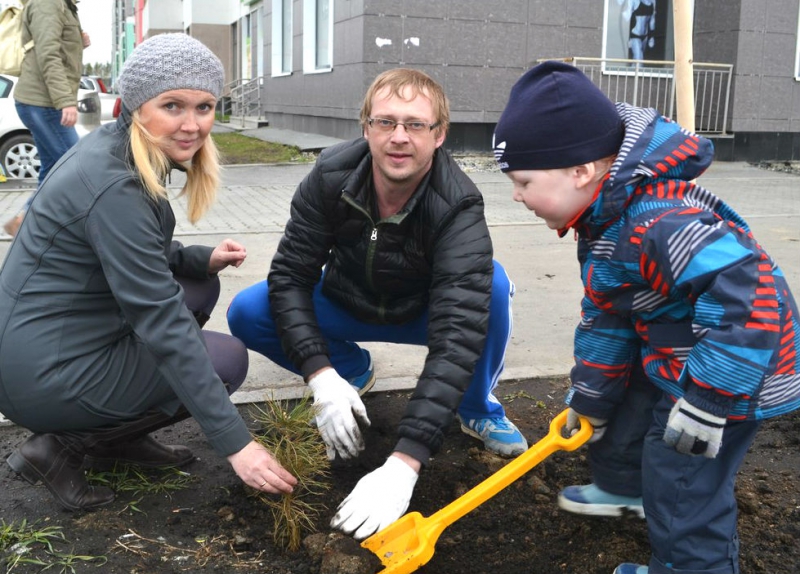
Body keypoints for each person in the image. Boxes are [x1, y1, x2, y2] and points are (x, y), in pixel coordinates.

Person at [492, 60, 800, 574]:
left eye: (523, 181)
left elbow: (751, 299)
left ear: (581, 171)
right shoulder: (601, 219)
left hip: (738, 366)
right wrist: (590, 397)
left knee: (681, 479)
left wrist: (707, 402)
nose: (516, 195)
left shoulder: (662, 222)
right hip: (677, 349)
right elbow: (608, 315)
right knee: (627, 406)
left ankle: (688, 566)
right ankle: (622, 487)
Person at [227, 68, 528, 540]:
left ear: (440, 135)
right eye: (385, 122)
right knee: (249, 309)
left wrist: (405, 463)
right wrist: (319, 374)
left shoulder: (458, 203)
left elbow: (457, 330)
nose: (399, 138)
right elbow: (290, 276)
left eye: (415, 124)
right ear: (366, 127)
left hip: (421, 311)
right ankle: (350, 372)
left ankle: (477, 408)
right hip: (347, 299)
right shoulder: (330, 176)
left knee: (489, 290)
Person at [0, 33, 297, 512]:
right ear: (136, 104)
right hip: (40, 372)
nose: (192, 124)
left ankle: (117, 441)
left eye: (204, 107)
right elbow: (162, 324)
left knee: (198, 286)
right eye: (173, 105)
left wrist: (199, 259)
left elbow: (130, 247)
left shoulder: (116, 149)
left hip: (44, 343)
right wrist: (236, 444)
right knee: (224, 361)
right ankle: (60, 449)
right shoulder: (114, 184)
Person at [4, 0, 91, 237]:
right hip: (43, 103)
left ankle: (27, 221)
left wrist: (79, 45)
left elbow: (55, 50)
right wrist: (65, 101)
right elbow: (48, 55)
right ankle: (42, 221)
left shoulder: (64, 5)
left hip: (43, 102)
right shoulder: (48, 3)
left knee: (53, 167)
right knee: (77, 167)